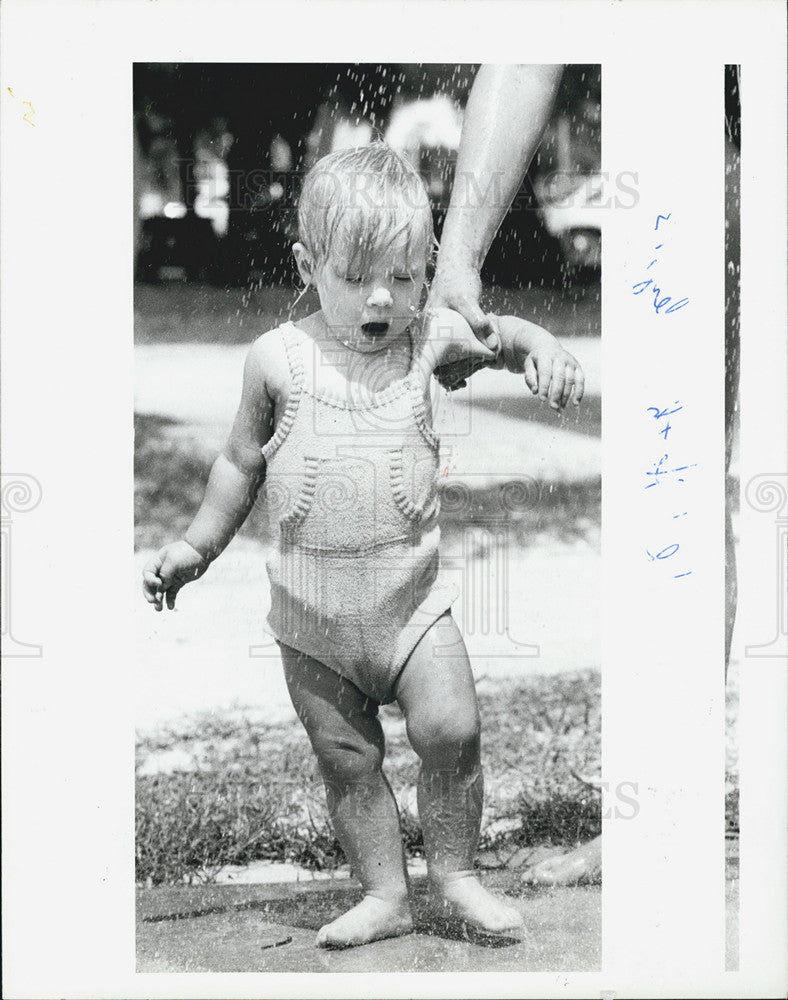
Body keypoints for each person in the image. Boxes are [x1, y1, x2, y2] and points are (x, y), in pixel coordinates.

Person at [142, 142, 585, 947]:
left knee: (453, 730)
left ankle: (455, 873)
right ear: (309, 264)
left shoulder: (426, 337)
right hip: (312, 621)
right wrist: (196, 548)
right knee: (347, 757)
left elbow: (504, 331)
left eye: (407, 275)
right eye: (356, 278)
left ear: (423, 269)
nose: (384, 296)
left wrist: (542, 352)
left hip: (412, 607)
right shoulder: (278, 358)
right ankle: (385, 892)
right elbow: (240, 462)